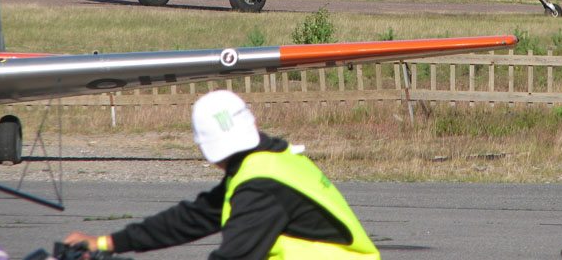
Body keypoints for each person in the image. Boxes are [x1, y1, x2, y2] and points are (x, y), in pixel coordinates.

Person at [63, 90, 380, 259]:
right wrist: (106, 243)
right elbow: (193, 218)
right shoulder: (270, 162)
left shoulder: (261, 187)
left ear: (205, 149)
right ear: (253, 125)